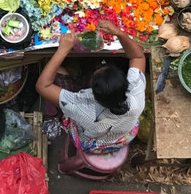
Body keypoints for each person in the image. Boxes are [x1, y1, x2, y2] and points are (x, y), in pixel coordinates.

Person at [35, 21, 147, 153]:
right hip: (121, 135)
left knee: (56, 71)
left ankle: (60, 110)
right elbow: (138, 57)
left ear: (93, 95)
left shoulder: (82, 107)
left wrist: (62, 50)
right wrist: (119, 33)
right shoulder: (135, 96)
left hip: (90, 139)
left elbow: (42, 86)